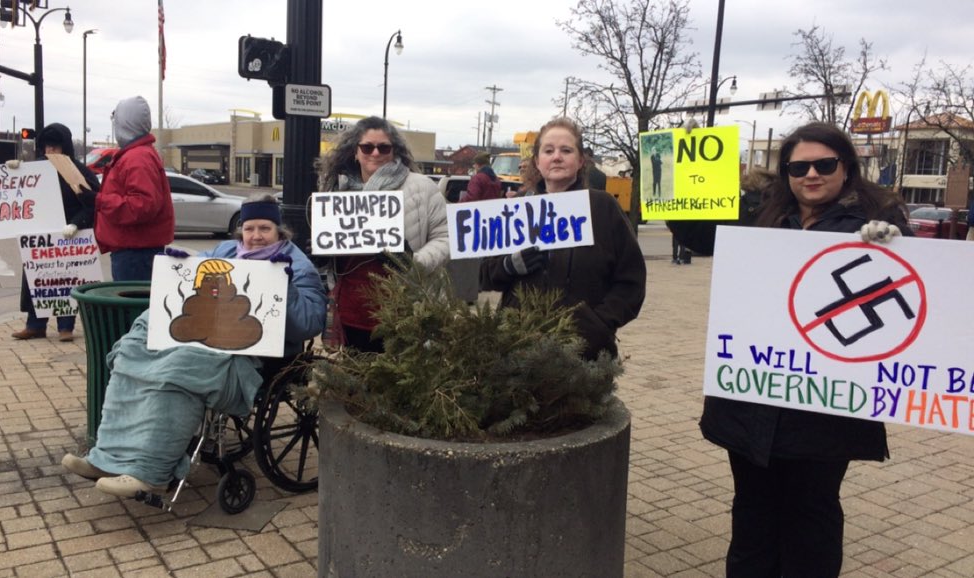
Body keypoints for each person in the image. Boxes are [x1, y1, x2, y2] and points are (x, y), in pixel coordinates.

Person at [670, 122, 912, 578]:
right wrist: (679, 174)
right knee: (752, 518)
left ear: (847, 167)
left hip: (823, 412)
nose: (811, 175)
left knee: (811, 520)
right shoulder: (761, 215)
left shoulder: (874, 224)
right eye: (798, 167)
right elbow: (699, 235)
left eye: (824, 164)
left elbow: (913, 290)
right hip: (752, 403)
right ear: (785, 173)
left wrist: (896, 245)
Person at [61, 194, 327, 497]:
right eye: (250, 228)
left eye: (264, 228)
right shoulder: (226, 250)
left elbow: (310, 322)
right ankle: (107, 457)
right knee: (130, 354)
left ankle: (151, 472)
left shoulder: (297, 265)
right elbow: (190, 284)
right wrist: (180, 267)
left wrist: (286, 286)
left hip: (252, 355)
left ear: (279, 231)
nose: (256, 236)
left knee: (180, 370)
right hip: (203, 336)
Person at [480, 117, 646, 361]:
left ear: (580, 161)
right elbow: (485, 275)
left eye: (566, 150)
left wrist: (597, 325)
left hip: (582, 355)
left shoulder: (602, 208)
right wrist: (509, 265)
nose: (557, 156)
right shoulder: (517, 210)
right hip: (518, 351)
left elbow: (631, 282)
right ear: (538, 161)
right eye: (549, 151)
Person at [315, 116, 450, 352]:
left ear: (394, 151)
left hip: (406, 310)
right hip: (352, 313)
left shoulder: (421, 187)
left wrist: (412, 262)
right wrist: (322, 256)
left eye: (383, 147)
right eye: (367, 147)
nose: (375, 153)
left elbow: (446, 238)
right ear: (355, 152)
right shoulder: (338, 193)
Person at [10, 123, 100, 342]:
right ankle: (35, 324)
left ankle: (65, 326)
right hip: (42, 234)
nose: (50, 152)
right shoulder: (36, 170)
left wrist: (77, 224)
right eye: (47, 148)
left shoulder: (79, 171)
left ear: (64, 148)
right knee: (37, 278)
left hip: (69, 233)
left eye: (55, 147)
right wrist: (12, 171)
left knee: (64, 280)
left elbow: (91, 203)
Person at [95, 95, 174, 281]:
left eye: (116, 119)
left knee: (132, 307)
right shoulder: (139, 154)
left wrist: (98, 200)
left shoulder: (136, 158)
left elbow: (142, 205)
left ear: (125, 123)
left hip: (134, 254)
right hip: (135, 251)